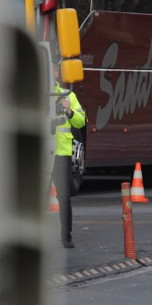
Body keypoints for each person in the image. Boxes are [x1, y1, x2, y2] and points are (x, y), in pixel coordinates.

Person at [52, 80, 86, 248]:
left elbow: (81, 122)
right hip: (39, 153)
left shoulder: (68, 95)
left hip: (61, 153)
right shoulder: (32, 91)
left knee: (64, 197)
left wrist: (69, 110)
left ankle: (66, 237)